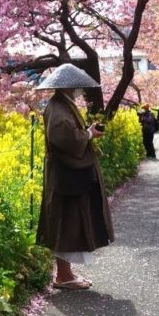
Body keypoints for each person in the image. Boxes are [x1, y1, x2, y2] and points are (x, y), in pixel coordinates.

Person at [34, 63, 114, 290]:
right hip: (65, 176)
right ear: (68, 87)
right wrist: (89, 133)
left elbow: (70, 135)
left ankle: (66, 272)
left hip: (67, 174)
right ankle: (63, 275)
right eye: (77, 86)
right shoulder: (58, 109)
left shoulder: (62, 105)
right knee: (66, 222)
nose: (79, 90)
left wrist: (87, 132)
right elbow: (66, 139)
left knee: (69, 221)